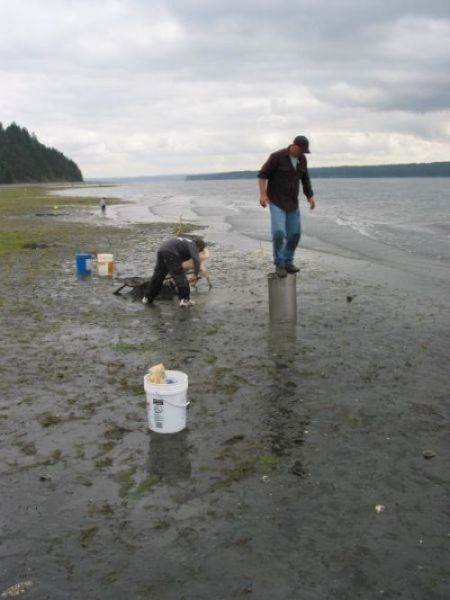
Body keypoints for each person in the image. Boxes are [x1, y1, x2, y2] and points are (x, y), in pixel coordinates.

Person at [258, 135, 316, 277]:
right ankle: (279, 263)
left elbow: (305, 179)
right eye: (301, 150)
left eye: (304, 151)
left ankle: (288, 262)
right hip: (277, 201)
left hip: (292, 203)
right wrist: (263, 194)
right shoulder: (277, 157)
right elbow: (262, 175)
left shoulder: (302, 159)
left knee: (295, 234)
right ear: (294, 146)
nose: (303, 153)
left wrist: (310, 196)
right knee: (279, 232)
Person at [142, 236, 205, 307]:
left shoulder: (185, 241)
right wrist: (195, 275)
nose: (198, 252)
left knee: (158, 276)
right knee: (179, 275)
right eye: (199, 250)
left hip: (162, 249)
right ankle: (185, 300)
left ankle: (147, 298)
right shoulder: (192, 244)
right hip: (171, 252)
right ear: (198, 246)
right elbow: (196, 260)